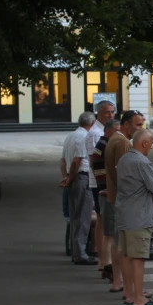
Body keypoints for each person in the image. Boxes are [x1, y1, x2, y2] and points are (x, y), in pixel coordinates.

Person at [116, 129, 153, 305]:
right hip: (140, 216)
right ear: (144, 143)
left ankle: (129, 293)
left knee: (127, 256)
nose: (151, 146)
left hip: (124, 214)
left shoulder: (124, 159)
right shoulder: (142, 162)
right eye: (151, 143)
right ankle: (139, 298)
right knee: (139, 258)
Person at [105, 110, 146, 304]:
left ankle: (125, 286)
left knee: (120, 243)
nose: (141, 129)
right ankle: (129, 289)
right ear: (126, 125)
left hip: (117, 198)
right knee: (127, 249)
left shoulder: (116, 139)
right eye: (138, 125)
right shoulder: (122, 142)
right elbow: (125, 175)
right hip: (124, 201)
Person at [60, 111, 97, 265]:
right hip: (81, 176)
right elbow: (77, 161)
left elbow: (63, 161)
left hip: (74, 177)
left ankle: (76, 251)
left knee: (76, 216)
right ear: (92, 123)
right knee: (83, 216)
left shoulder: (70, 136)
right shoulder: (84, 137)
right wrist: (70, 178)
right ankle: (81, 253)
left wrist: (66, 177)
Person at [86, 100, 116, 271]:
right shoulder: (96, 134)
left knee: (102, 219)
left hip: (101, 180)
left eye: (112, 112)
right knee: (102, 220)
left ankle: (102, 257)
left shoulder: (103, 131)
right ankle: (103, 258)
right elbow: (94, 160)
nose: (110, 115)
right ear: (98, 113)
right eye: (107, 112)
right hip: (99, 181)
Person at [92, 118, 121, 288]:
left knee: (106, 228)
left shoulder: (104, 144)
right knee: (109, 232)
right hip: (106, 192)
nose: (118, 134)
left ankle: (104, 263)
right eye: (116, 131)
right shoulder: (104, 145)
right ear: (108, 131)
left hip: (103, 190)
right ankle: (107, 263)